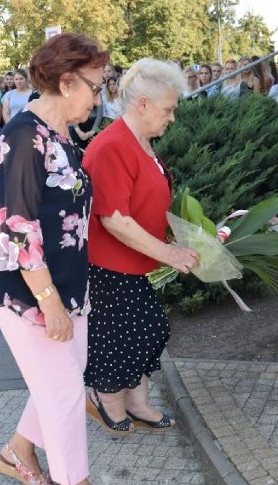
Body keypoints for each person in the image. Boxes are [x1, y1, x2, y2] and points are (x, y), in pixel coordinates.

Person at [0, 32, 114, 485]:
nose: (100, 95)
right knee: (64, 395)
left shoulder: (58, 135)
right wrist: (49, 302)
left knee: (64, 381)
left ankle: (17, 452)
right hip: (29, 294)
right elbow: (15, 229)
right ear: (68, 81)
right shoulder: (21, 139)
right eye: (97, 85)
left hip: (68, 286)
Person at [82, 59, 199, 437]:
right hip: (108, 266)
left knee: (144, 333)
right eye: (168, 109)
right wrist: (171, 255)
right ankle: (108, 400)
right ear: (143, 104)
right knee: (122, 338)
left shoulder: (139, 142)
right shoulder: (112, 146)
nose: (173, 118)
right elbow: (114, 219)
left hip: (134, 264)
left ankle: (137, 403)